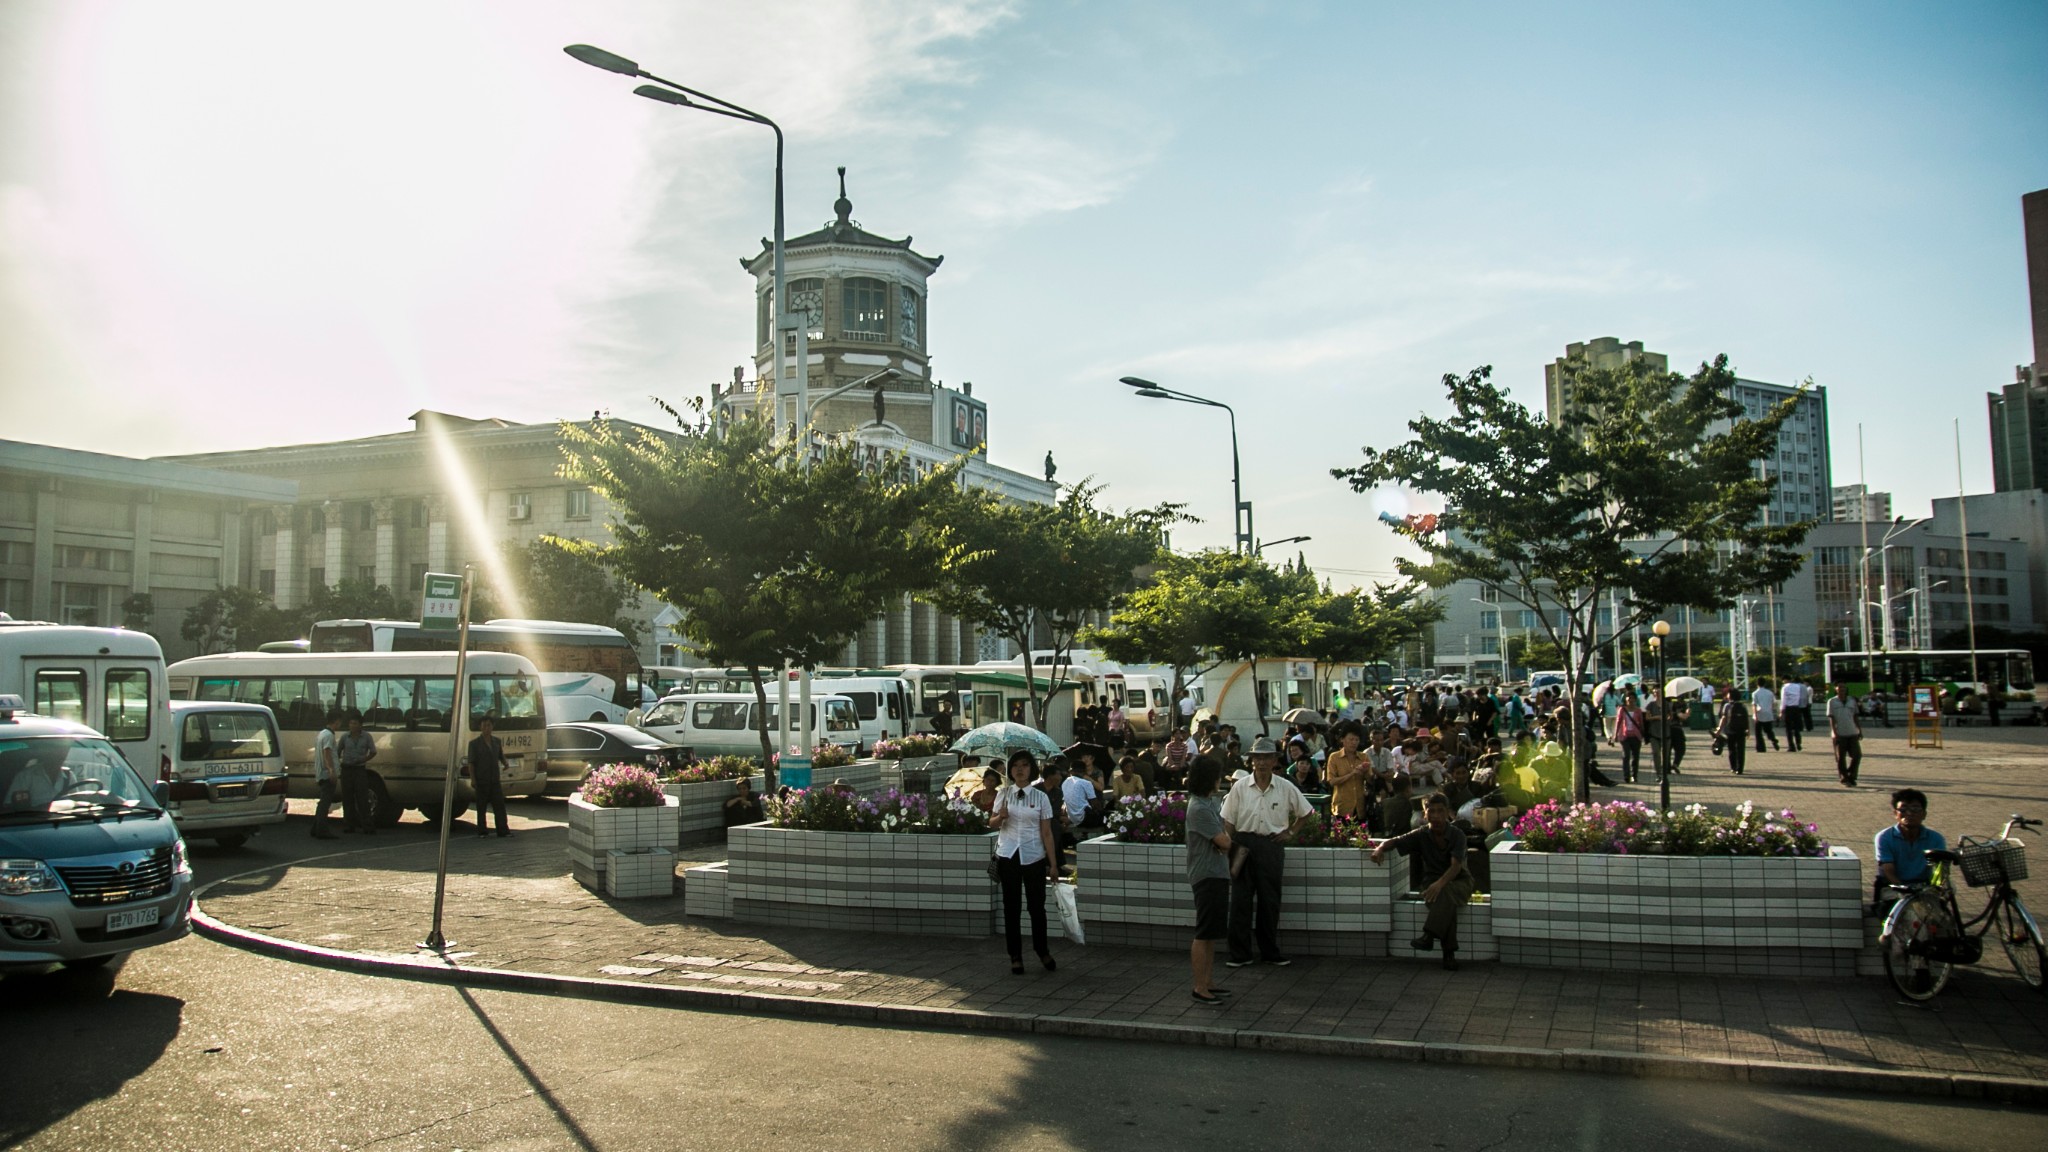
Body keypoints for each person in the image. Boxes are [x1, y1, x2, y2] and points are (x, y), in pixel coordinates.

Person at [1221, 736, 1315, 968]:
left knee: (1269, 900)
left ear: (1274, 760)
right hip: (1242, 843)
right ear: (1251, 761)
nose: (1261, 763)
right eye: (1257, 758)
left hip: (1271, 846)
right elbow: (1228, 820)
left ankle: (1270, 952)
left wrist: (1290, 833)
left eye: (1266, 758)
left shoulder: (1285, 786)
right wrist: (1231, 845)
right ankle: (1240, 954)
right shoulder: (1240, 787)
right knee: (1240, 901)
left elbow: (1306, 812)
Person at [1373, 792, 1472, 970]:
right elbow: (1395, 841)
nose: (1435, 816)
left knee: (1445, 892)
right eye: (1431, 811)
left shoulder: (1458, 835)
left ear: (1447, 813)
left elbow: (1456, 867)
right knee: (1445, 900)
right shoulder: (1422, 834)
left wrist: (1439, 884)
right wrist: (1379, 849)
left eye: (1440, 811)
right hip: (1433, 881)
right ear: (1425, 814)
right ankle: (1448, 954)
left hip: (1459, 882)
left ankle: (1429, 936)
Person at [991, 751, 1060, 974]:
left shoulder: (1041, 797)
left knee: (1036, 907)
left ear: (1032, 769)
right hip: (1008, 855)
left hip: (1033, 856)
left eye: (1025, 765)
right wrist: (999, 817)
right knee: (1011, 907)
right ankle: (1015, 955)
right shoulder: (1003, 793)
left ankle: (1043, 951)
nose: (1020, 769)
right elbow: (991, 823)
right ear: (1010, 770)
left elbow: (1047, 833)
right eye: (1016, 766)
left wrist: (1054, 864)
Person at [1184, 756, 1235, 1005]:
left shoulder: (1209, 803)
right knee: (1204, 932)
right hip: (1206, 874)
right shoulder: (1200, 808)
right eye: (1216, 775)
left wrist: (1223, 838)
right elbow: (1225, 840)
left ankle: (1208, 981)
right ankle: (1199, 986)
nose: (1219, 780)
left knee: (1212, 932)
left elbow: (1224, 832)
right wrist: (1223, 839)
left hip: (1217, 872)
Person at [1873, 787, 1946, 913]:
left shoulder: (1936, 838)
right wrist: (1904, 889)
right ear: (1895, 814)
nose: (1909, 813)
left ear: (1924, 814)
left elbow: (1940, 870)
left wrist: (1933, 888)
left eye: (1915, 809)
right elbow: (1887, 869)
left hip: (1924, 887)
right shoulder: (1884, 837)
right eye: (1903, 809)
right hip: (1895, 887)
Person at [466, 715, 511, 837]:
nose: (487, 728)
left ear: (492, 727)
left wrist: (505, 763)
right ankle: (482, 831)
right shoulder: (474, 744)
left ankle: (503, 830)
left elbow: (500, 755)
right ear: (480, 727)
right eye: (484, 725)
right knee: (481, 807)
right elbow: (471, 763)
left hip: (494, 779)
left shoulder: (496, 741)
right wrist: (473, 779)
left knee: (499, 806)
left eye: (489, 725)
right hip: (481, 780)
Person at [338, 712, 378, 834]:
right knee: (347, 798)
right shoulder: (345, 737)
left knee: (362, 798)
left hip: (359, 769)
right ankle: (349, 825)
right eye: (350, 723)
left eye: (355, 723)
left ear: (361, 725)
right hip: (347, 769)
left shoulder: (366, 737)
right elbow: (338, 751)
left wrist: (363, 759)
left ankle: (367, 825)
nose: (352, 726)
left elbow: (373, 751)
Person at [1323, 724, 1368, 821]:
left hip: (1360, 807)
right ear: (1342, 740)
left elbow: (1371, 781)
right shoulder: (1334, 757)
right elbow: (1332, 781)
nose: (1354, 743)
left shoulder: (1363, 757)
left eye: (1357, 740)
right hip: (1342, 807)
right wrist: (1352, 774)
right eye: (1351, 739)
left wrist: (1366, 772)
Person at [311, 711, 342, 840]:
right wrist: (331, 770)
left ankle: (316, 828)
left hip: (321, 772)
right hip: (326, 773)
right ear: (336, 721)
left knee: (323, 802)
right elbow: (327, 752)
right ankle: (322, 830)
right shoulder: (329, 735)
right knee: (325, 802)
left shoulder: (322, 734)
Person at [1827, 681, 1863, 787]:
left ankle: (1852, 775)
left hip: (1852, 732)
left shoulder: (1851, 701)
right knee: (1840, 757)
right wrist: (1834, 731)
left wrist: (1859, 730)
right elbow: (1831, 717)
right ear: (1836, 689)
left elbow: (1855, 716)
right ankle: (1844, 778)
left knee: (1857, 755)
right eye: (1839, 687)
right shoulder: (1832, 702)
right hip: (1839, 733)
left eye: (1844, 687)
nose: (1842, 689)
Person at [1610, 689, 1646, 784]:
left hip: (1636, 736)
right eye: (1629, 697)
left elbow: (1641, 723)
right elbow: (1618, 722)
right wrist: (1615, 735)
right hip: (1625, 736)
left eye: (1633, 698)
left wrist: (1643, 734)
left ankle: (1634, 775)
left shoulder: (1638, 710)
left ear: (1635, 700)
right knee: (1626, 756)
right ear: (1625, 699)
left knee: (1635, 757)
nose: (1631, 700)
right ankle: (1626, 776)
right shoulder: (1622, 709)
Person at [1715, 687, 1750, 776]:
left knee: (1732, 749)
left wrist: (1719, 729)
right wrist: (1748, 730)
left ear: (1730, 696)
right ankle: (1740, 769)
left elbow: (1724, 718)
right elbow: (1746, 718)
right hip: (1741, 730)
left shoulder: (1727, 706)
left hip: (1730, 730)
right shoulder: (1743, 706)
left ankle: (1733, 767)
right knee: (1741, 749)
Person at [1750, 679, 1780, 752]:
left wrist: (1755, 715)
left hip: (1759, 714)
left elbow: (1754, 705)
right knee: (1768, 730)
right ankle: (1773, 739)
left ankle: (1761, 748)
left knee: (1758, 733)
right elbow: (1774, 703)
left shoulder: (1755, 693)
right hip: (1768, 714)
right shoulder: (1770, 693)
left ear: (1757, 684)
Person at [1780, 677, 1808, 751]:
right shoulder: (1797, 687)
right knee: (1796, 728)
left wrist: (1781, 711)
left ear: (1785, 680)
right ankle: (1798, 743)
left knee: (1788, 729)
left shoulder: (1785, 687)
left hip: (1788, 709)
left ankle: (1791, 746)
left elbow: (1783, 700)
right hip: (1796, 708)